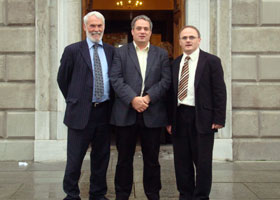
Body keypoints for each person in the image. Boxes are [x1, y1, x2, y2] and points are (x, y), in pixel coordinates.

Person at [110, 15, 171, 200]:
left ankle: (153, 194)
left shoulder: (160, 54)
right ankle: (122, 195)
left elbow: (166, 80)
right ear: (133, 31)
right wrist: (133, 99)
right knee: (123, 160)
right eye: (139, 28)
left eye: (146, 28)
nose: (142, 31)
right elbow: (115, 79)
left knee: (152, 160)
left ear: (150, 32)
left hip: (152, 114)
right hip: (125, 113)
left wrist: (148, 98)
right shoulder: (120, 53)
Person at [57, 11, 114, 200]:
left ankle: (97, 194)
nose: (96, 29)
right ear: (85, 27)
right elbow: (62, 79)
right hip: (80, 112)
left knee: (101, 157)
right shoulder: (72, 50)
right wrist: (75, 99)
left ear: (104, 27)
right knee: (75, 158)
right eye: (92, 26)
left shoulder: (110, 51)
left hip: (104, 112)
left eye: (99, 26)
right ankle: (71, 194)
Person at [166, 25, 227, 200]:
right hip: (180, 116)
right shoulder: (175, 63)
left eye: (192, 37)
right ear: (179, 41)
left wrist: (219, 118)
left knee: (203, 163)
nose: (188, 40)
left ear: (199, 40)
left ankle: (201, 196)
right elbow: (170, 94)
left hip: (203, 118)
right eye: (184, 38)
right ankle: (185, 195)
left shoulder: (211, 61)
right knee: (181, 162)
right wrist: (169, 120)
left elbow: (219, 91)